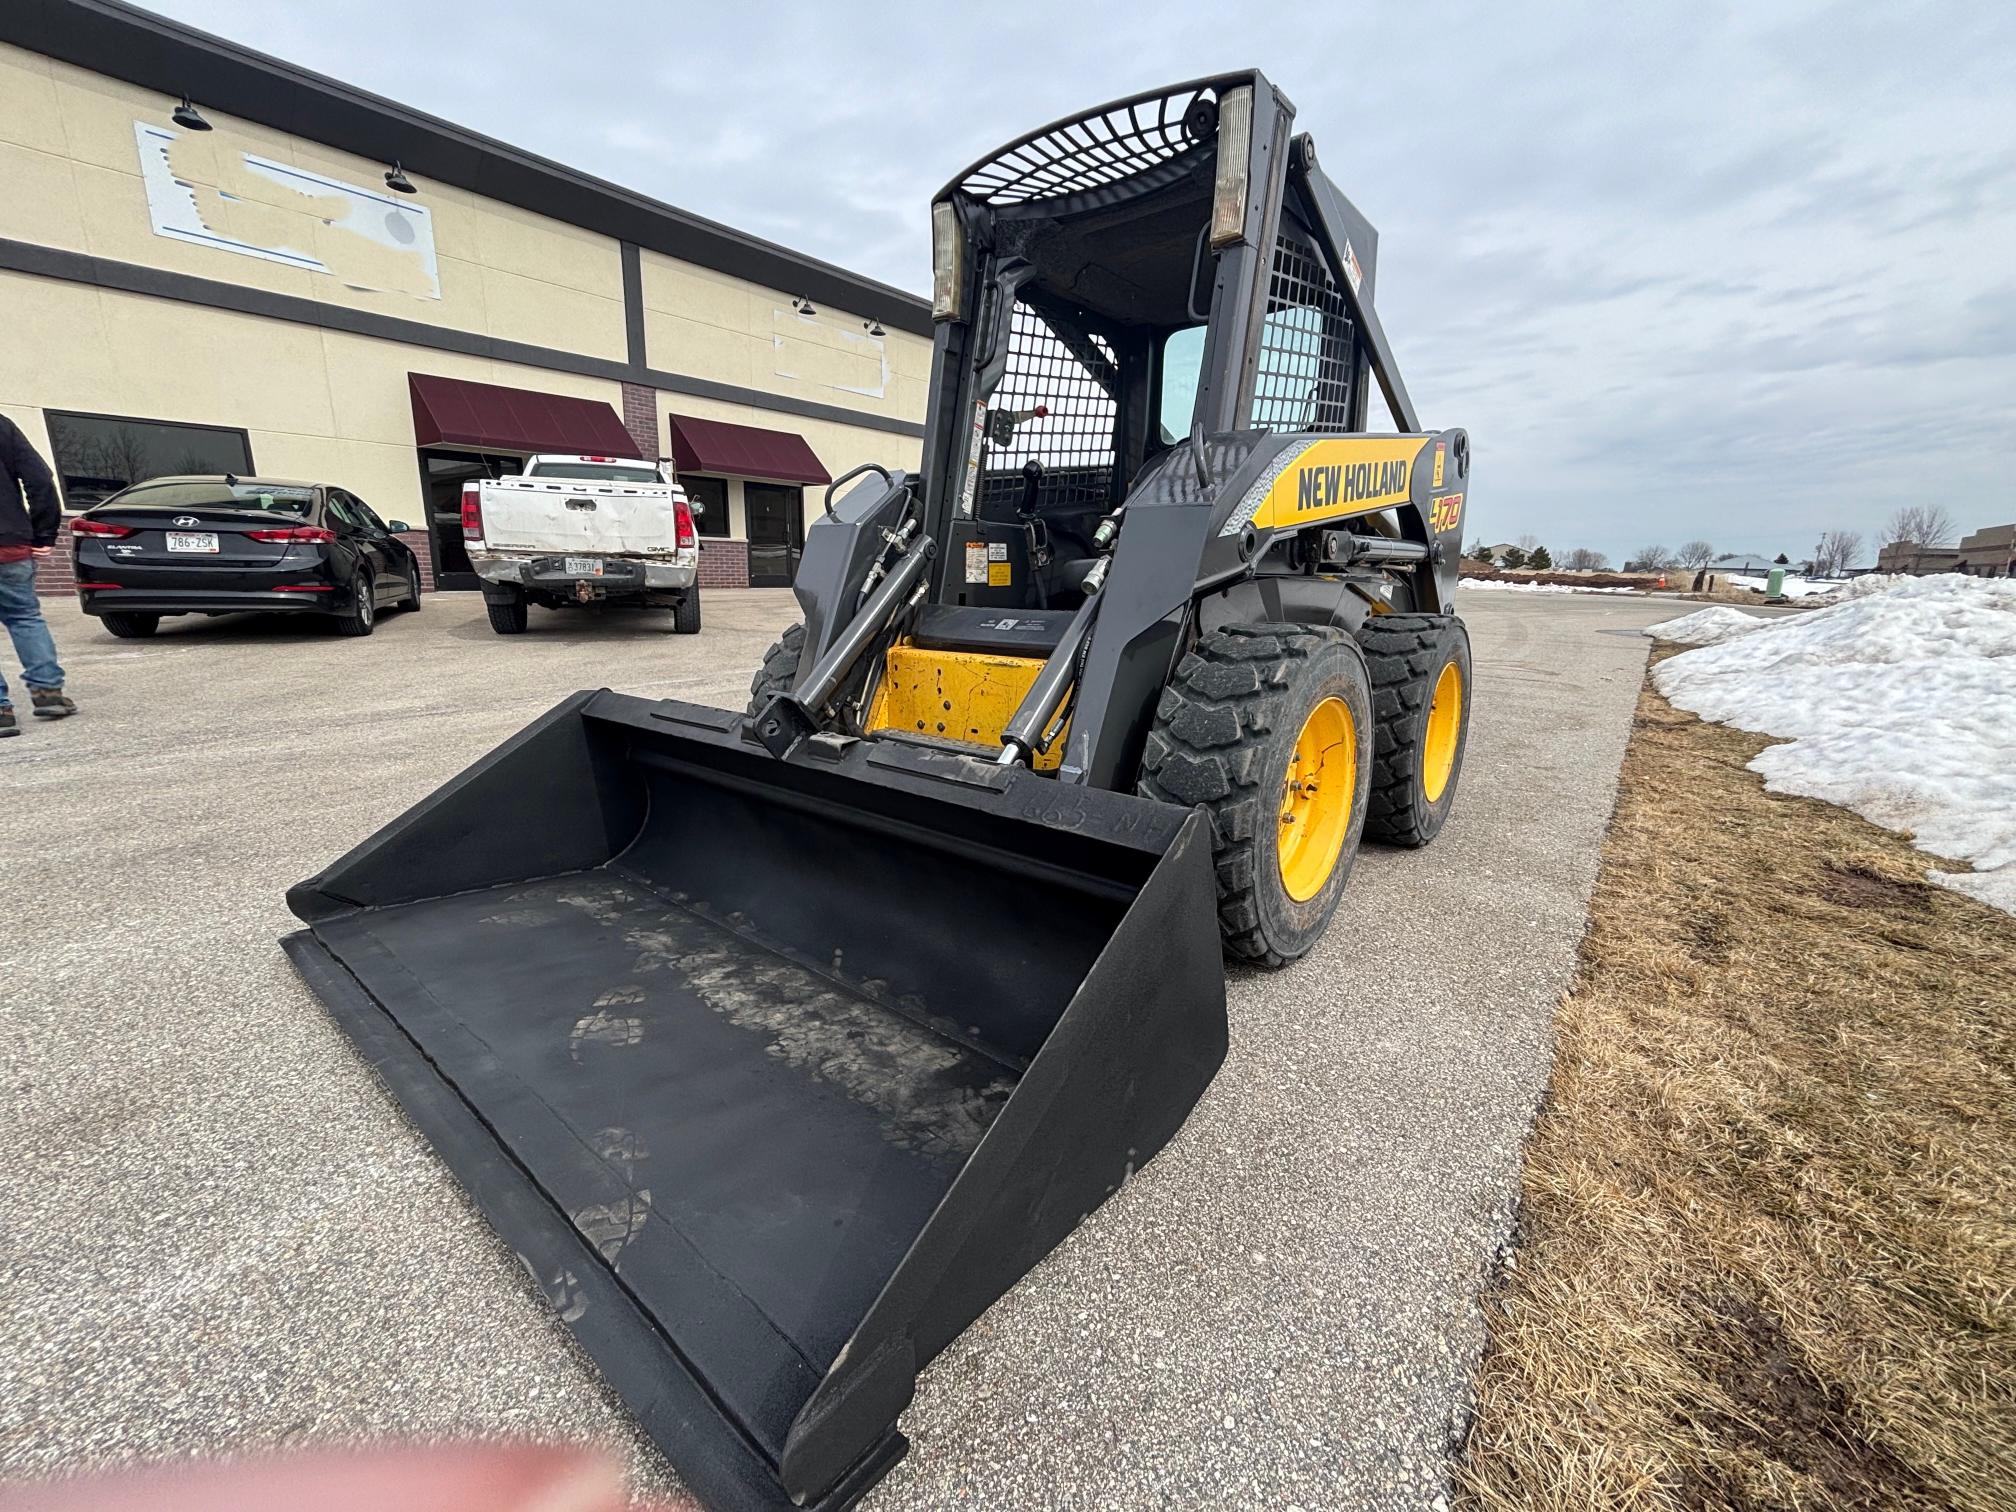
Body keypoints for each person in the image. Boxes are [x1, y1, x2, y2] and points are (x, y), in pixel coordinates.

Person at [0, 414, 73, 738]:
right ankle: (47, 693)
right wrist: (43, 533)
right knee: (24, 617)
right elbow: (39, 479)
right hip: (8, 543)